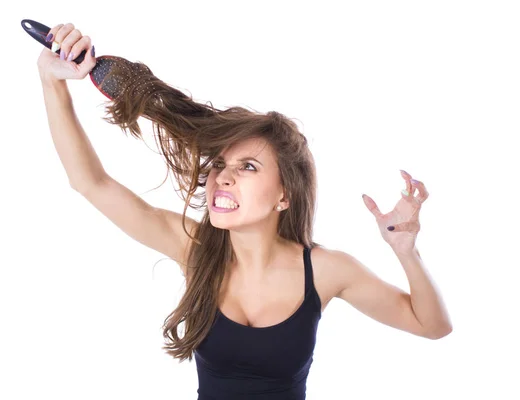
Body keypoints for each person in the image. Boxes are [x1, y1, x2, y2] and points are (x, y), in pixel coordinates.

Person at [37, 22, 453, 400]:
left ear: (284, 196)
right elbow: (90, 182)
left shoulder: (325, 271)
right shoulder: (195, 249)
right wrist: (52, 81)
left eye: (248, 167)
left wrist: (406, 251)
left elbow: (431, 326)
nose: (222, 177)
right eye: (219, 164)